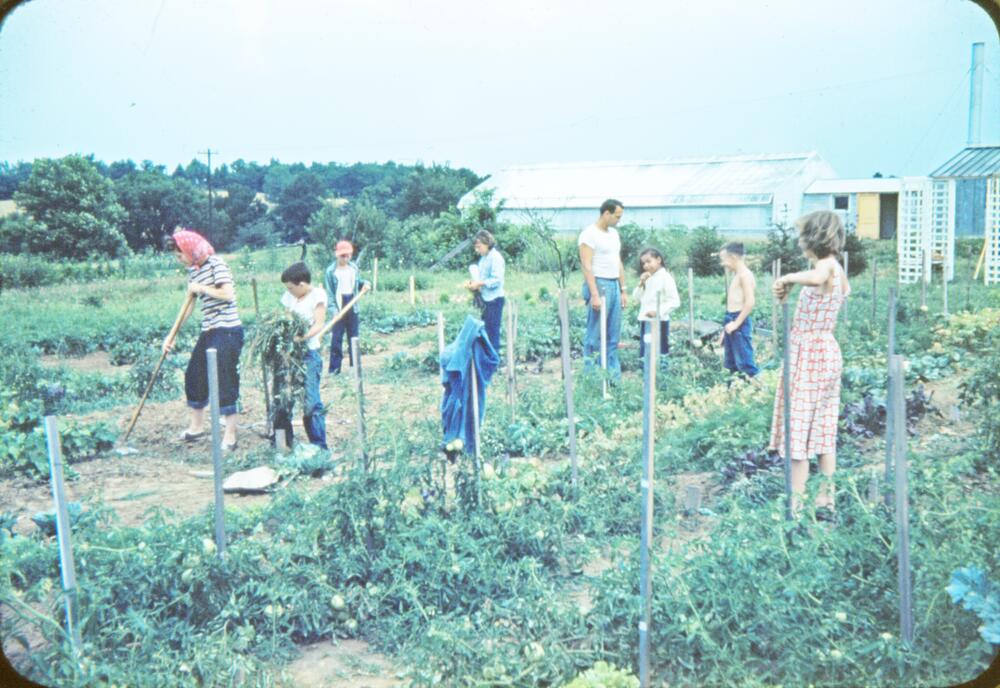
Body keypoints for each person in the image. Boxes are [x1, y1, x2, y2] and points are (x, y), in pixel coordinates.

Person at [769, 210, 851, 518]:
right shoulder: (837, 269)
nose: (800, 240)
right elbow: (829, 289)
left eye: (803, 235)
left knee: (799, 429)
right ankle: (825, 499)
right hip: (825, 351)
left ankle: (797, 505)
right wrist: (790, 289)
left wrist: (788, 277)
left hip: (810, 355)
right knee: (823, 427)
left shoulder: (826, 267)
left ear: (813, 237)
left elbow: (818, 278)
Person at [162, 228, 243, 451]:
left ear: (191, 250)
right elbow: (188, 305)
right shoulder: (194, 271)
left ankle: (230, 435)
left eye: (180, 256)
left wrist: (202, 288)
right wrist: (171, 335)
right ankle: (196, 428)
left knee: (225, 380)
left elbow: (228, 294)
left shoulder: (217, 264)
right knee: (194, 374)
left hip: (228, 330)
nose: (179, 260)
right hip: (209, 330)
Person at [274, 261, 328, 449]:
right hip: (287, 355)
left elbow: (319, 324)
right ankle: (284, 445)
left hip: (308, 354)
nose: (288, 291)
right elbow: (284, 318)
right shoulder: (289, 297)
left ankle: (319, 447)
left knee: (311, 403)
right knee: (282, 399)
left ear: (302, 284)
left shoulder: (318, 295)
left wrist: (301, 338)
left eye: (291, 288)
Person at [578, 199, 627, 380]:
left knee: (613, 335)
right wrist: (595, 294)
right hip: (599, 284)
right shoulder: (589, 235)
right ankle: (592, 378)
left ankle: (613, 378)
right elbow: (586, 265)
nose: (618, 220)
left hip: (614, 284)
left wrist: (623, 289)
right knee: (595, 335)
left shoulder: (614, 234)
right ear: (606, 213)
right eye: (617, 216)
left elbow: (618, 261)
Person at [323, 240, 370, 375]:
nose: (346, 258)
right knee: (336, 338)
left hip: (352, 303)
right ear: (337, 255)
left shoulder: (353, 268)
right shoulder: (331, 272)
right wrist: (334, 311)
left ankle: (354, 368)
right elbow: (330, 294)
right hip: (339, 304)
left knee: (353, 337)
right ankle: (334, 370)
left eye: (348, 255)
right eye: (343, 256)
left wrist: (365, 284)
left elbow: (358, 283)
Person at [718, 242, 760, 378]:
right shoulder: (737, 275)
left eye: (723, 259)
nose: (722, 263)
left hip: (739, 321)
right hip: (731, 320)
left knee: (745, 362)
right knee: (731, 363)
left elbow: (750, 302)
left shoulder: (745, 275)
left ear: (734, 257)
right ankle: (734, 392)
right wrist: (725, 330)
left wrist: (736, 324)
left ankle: (759, 391)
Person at [632, 247, 680, 365]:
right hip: (645, 320)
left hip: (660, 321)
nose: (646, 266)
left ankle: (662, 378)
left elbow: (675, 301)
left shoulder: (666, 278)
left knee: (661, 351)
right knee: (645, 351)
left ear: (658, 260)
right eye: (644, 263)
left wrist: (658, 311)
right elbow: (636, 297)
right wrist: (641, 283)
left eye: (649, 261)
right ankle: (646, 378)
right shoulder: (648, 278)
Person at [465, 230, 505, 353]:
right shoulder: (484, 258)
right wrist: (473, 284)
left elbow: (497, 280)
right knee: (486, 331)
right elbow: (482, 277)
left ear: (487, 243)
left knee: (492, 332)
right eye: (476, 248)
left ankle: (494, 362)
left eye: (479, 247)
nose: (477, 250)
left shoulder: (496, 258)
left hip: (494, 300)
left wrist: (480, 283)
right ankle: (488, 359)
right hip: (486, 298)